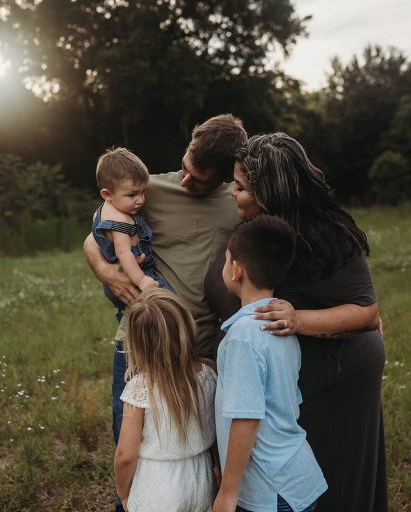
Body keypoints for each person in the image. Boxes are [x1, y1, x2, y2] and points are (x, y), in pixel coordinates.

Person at [218, 132, 387, 512]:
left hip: (340, 371)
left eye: (241, 187)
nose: (232, 192)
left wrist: (297, 318)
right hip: (297, 371)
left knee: (338, 477)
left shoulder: (325, 232)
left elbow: (366, 313)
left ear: (269, 193)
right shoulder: (263, 227)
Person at [84, 114, 247, 447]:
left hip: (199, 345)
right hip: (141, 339)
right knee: (131, 443)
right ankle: (126, 503)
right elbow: (94, 237)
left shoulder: (239, 202)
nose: (185, 181)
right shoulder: (148, 191)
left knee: (195, 448)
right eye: (184, 167)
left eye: (198, 179)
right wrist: (104, 271)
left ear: (226, 177)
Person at [214, 216, 327, 512]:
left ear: (236, 270)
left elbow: (247, 418)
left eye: (226, 260)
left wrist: (227, 492)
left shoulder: (244, 336)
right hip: (297, 476)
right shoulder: (282, 326)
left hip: (272, 490)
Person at [114, 288, 217, 512]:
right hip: (201, 479)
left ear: (138, 343)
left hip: (157, 486)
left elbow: (125, 455)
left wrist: (123, 492)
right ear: (187, 328)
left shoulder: (140, 388)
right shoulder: (208, 375)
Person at [92, 147, 173, 321]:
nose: (141, 200)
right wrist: (143, 280)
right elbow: (124, 253)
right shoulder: (119, 220)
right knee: (170, 304)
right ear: (107, 194)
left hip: (128, 275)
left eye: (143, 192)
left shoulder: (105, 210)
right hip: (135, 275)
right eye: (132, 194)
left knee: (133, 316)